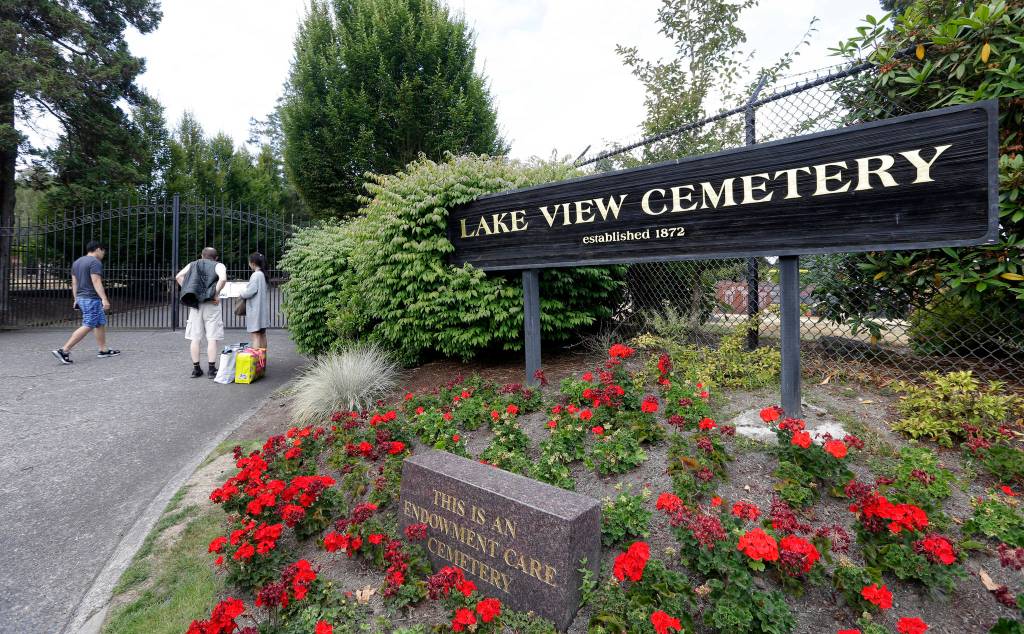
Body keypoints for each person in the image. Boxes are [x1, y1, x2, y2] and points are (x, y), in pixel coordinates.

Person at [52, 240, 121, 364]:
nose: (104, 254)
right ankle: (64, 350)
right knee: (89, 324)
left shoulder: (77, 262)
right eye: (104, 251)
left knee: (99, 322)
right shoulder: (95, 262)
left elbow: (74, 283)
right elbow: (96, 281)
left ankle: (103, 350)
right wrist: (104, 299)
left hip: (82, 298)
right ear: (98, 249)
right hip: (91, 298)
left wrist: (76, 299)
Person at [176, 247, 227, 378]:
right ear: (216, 257)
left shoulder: (193, 264)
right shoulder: (218, 265)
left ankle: (196, 369)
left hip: (196, 304)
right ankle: (211, 370)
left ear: (202, 256)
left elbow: (178, 276)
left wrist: (189, 291)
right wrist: (215, 294)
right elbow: (223, 279)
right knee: (212, 338)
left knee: (195, 338)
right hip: (211, 305)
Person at [238, 252, 270, 350]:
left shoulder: (256, 275)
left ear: (253, 263)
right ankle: (262, 360)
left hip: (255, 310)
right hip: (262, 310)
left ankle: (256, 362)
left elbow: (249, 292)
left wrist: (241, 292)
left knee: (255, 335)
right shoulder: (263, 274)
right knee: (262, 334)